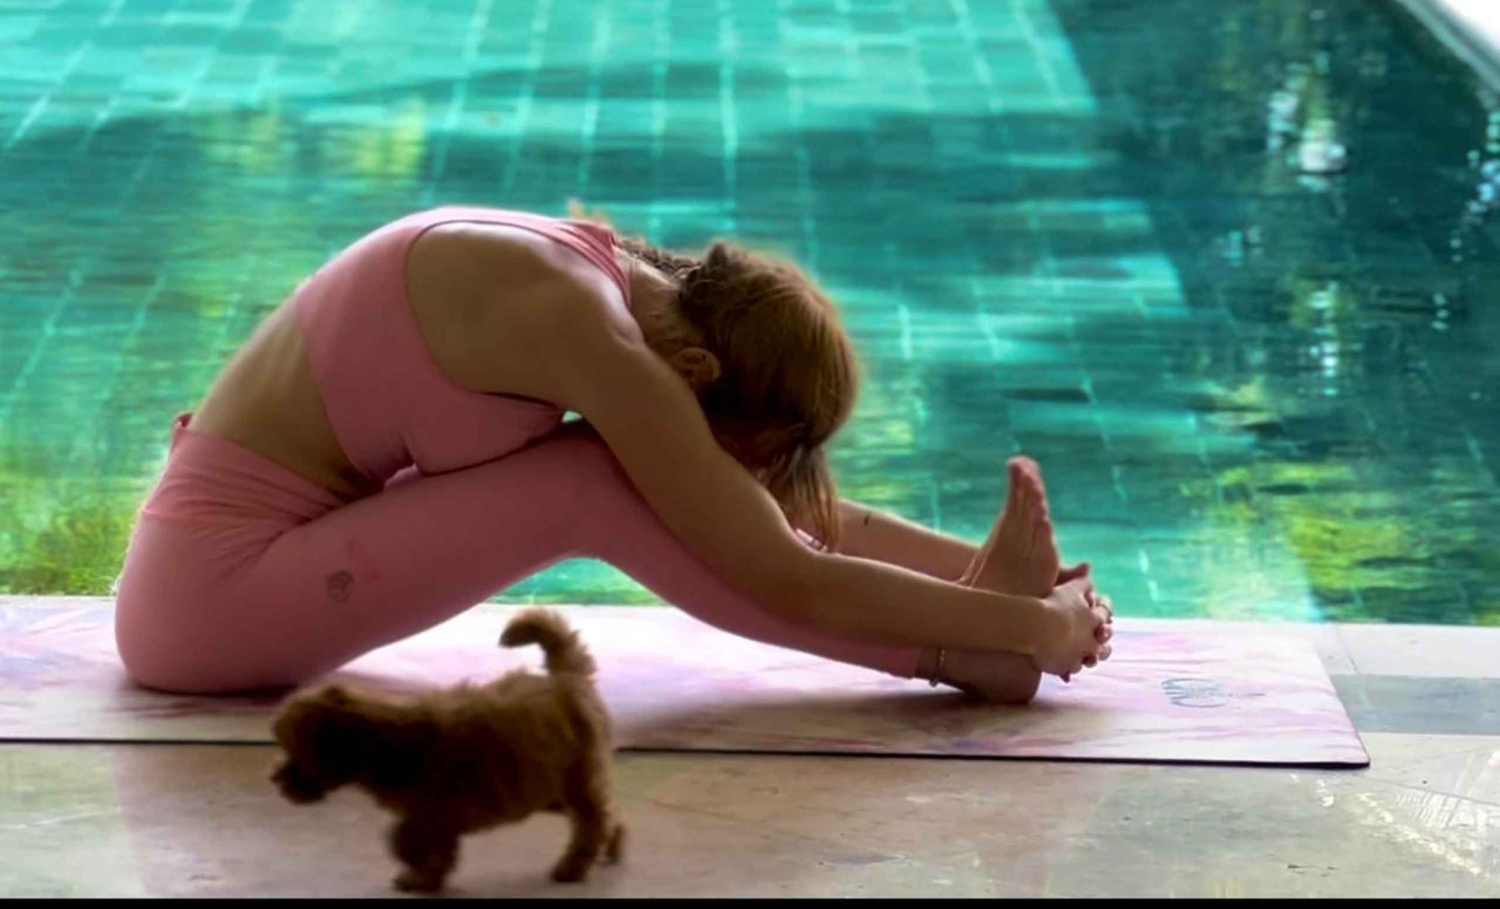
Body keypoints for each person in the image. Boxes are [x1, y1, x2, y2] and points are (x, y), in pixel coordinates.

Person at [114, 206, 1113, 701]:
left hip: (257, 555)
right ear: (700, 371)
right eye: (741, 452)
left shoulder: (620, 284)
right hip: (206, 599)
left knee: (627, 476)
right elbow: (778, 566)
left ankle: (972, 631)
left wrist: (1011, 579)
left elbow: (758, 513)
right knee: (599, 479)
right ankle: (964, 653)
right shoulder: (594, 340)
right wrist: (1032, 625)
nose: (727, 475)